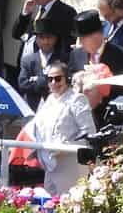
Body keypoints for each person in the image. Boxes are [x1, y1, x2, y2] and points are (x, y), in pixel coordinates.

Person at [32, 61, 94, 195]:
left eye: (58, 78)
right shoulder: (47, 101)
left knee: (69, 209)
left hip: (71, 164)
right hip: (49, 165)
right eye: (50, 79)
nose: (54, 82)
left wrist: (65, 148)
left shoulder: (77, 99)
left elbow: (89, 135)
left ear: (67, 79)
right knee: (50, 208)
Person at [9, 0, 75, 67]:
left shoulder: (66, 12)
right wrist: (25, 14)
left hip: (47, 69)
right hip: (25, 67)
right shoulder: (34, 9)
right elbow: (16, 34)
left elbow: (67, 46)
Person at [16, 8, 67, 109]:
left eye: (49, 38)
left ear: (55, 39)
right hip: (32, 107)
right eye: (42, 38)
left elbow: (65, 85)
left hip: (55, 107)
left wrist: (36, 80)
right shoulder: (28, 60)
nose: (45, 42)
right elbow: (22, 84)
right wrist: (48, 81)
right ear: (36, 39)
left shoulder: (63, 59)